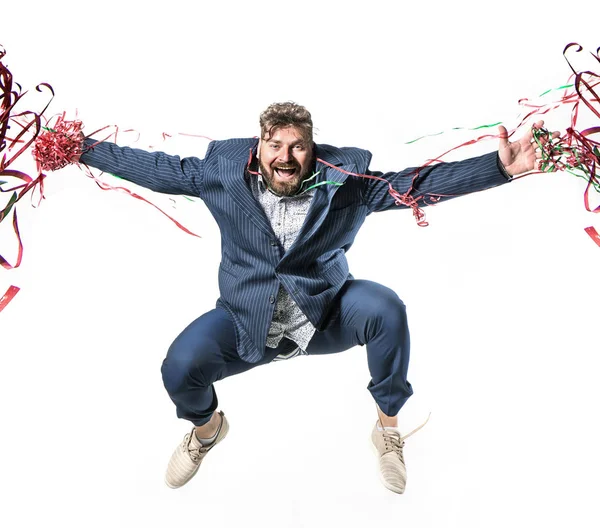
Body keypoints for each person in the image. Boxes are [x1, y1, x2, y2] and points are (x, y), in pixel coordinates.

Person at [77, 102, 554, 494]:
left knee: (384, 307)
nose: (285, 157)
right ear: (259, 145)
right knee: (179, 368)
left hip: (325, 314)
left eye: (298, 146)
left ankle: (387, 428)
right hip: (247, 321)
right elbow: (150, 167)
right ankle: (207, 430)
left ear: (312, 149)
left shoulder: (346, 185)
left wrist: (498, 168)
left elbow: (415, 185)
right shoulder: (219, 175)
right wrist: (77, 147)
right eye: (275, 145)